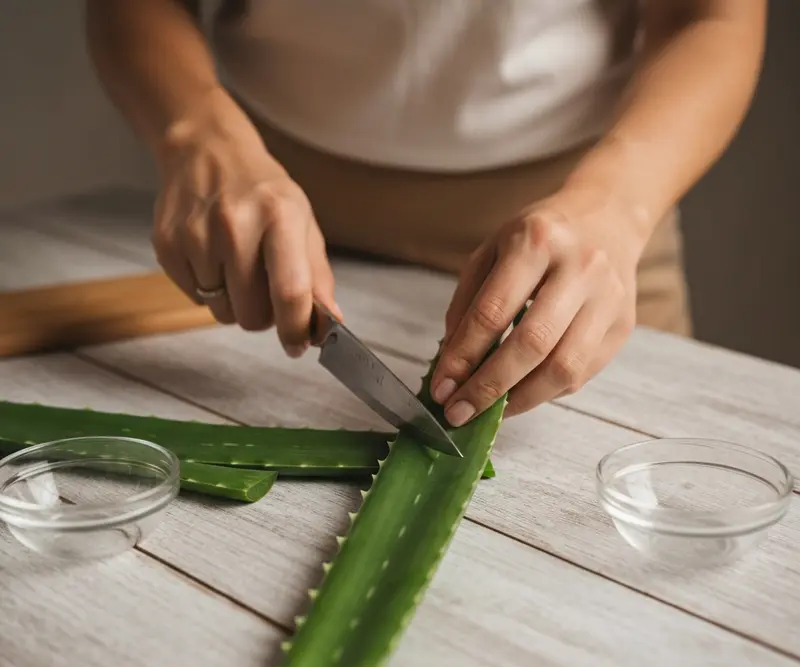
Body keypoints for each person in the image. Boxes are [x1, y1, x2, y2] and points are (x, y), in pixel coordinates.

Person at [85, 0, 766, 427]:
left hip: (587, 224)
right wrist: (196, 136)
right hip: (268, 206)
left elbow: (712, 16)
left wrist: (618, 206)